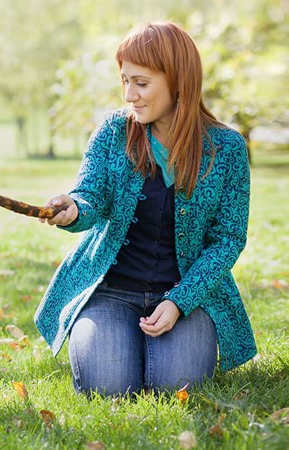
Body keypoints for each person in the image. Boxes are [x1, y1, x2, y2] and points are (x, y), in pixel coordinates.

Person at [34, 21, 257, 397]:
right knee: (107, 387)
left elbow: (228, 240)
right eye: (124, 81)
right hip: (111, 291)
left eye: (141, 83)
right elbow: (90, 196)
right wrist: (72, 209)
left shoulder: (228, 149)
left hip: (187, 295)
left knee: (176, 389)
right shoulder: (112, 132)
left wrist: (179, 300)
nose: (129, 95)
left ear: (178, 81)